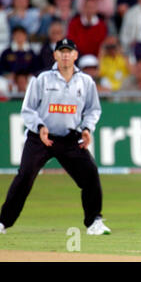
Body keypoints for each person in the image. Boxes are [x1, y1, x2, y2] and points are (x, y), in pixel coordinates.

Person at [0, 38, 111, 235]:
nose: (66, 55)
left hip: (70, 138)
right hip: (40, 138)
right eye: (61, 51)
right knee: (25, 177)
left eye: (69, 51)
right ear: (55, 55)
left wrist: (87, 129)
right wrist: (40, 126)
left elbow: (93, 110)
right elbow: (27, 110)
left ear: (76, 55)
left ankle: (94, 221)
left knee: (90, 174)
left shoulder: (86, 82)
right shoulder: (41, 79)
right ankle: (3, 222)